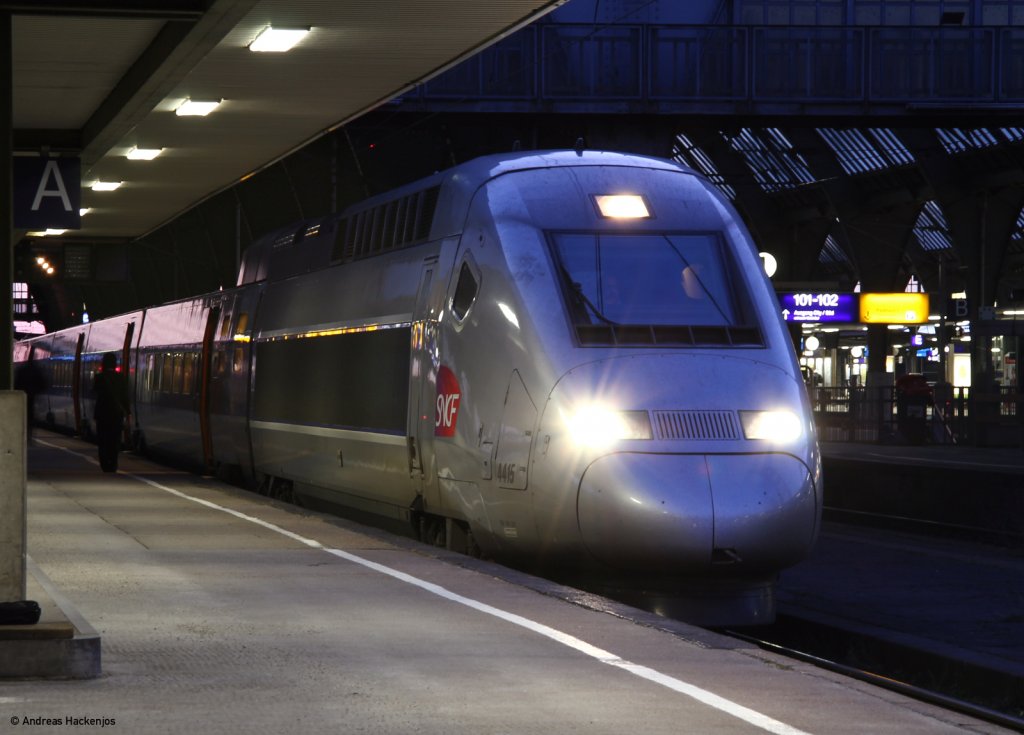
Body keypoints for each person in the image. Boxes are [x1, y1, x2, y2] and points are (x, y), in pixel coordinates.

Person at [93, 352, 130, 472]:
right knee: (115, 440)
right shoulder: (121, 377)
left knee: (102, 440)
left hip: (102, 414)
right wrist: (127, 412)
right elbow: (125, 396)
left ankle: (104, 464)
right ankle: (113, 463)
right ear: (115, 363)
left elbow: (95, 393)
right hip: (116, 415)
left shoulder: (99, 377)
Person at [14, 347, 46, 443]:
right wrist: (36, 391)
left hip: (22, 398)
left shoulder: (21, 370)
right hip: (32, 397)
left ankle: (23, 436)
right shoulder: (36, 370)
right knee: (30, 418)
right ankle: (29, 437)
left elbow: (16, 384)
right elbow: (42, 384)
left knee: (23, 418)